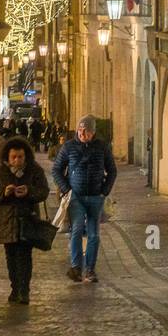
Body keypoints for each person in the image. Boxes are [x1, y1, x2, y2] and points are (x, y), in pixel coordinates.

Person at [0, 136, 50, 304]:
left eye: (20, 157)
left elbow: (43, 191)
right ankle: (15, 288)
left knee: (24, 256)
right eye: (14, 157)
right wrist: (3, 194)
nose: (17, 160)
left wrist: (29, 192)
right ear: (7, 157)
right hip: (8, 220)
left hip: (28, 219)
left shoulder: (35, 171)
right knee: (11, 256)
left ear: (26, 156)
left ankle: (24, 290)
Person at [52, 115, 117, 283]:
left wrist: (104, 191)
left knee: (94, 235)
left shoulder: (102, 147)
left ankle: (90, 269)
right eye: (80, 130)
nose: (82, 134)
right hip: (76, 197)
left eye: (86, 131)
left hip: (96, 197)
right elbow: (57, 169)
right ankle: (76, 267)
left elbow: (112, 170)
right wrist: (67, 190)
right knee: (77, 230)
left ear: (93, 132)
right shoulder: (69, 147)